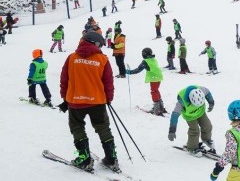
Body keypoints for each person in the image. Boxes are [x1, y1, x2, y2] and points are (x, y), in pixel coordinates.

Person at [58, 31, 118, 172]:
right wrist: (109, 98)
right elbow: (108, 81)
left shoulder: (72, 58)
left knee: (77, 128)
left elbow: (64, 79)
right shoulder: (102, 59)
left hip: (75, 101)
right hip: (97, 101)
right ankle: (111, 158)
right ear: (95, 43)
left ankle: (84, 158)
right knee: (103, 128)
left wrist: (65, 98)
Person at [169, 85, 215, 155]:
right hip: (190, 116)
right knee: (194, 130)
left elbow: (208, 92)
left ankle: (206, 139)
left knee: (207, 126)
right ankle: (192, 148)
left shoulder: (202, 90)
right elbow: (174, 115)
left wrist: (211, 102)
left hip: (201, 112)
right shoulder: (181, 101)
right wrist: (172, 131)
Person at [127, 47, 166, 115]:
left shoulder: (145, 61)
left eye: (143, 53)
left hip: (154, 78)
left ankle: (157, 109)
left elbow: (138, 70)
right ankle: (160, 107)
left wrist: (129, 72)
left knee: (154, 91)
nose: (142, 55)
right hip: (158, 77)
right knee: (156, 91)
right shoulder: (152, 59)